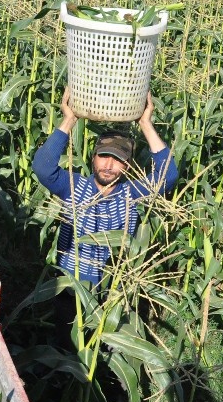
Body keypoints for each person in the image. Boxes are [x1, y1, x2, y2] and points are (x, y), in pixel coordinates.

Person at [33, 88, 178, 289]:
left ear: (127, 165)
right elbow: (42, 167)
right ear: (93, 157)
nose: (108, 166)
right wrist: (69, 120)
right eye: (103, 156)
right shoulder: (73, 186)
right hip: (69, 286)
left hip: (112, 291)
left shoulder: (131, 194)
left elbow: (168, 175)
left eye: (118, 160)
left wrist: (145, 124)